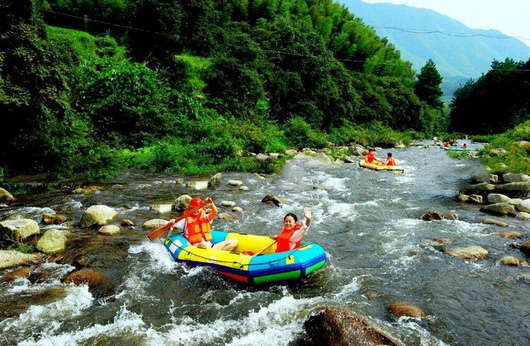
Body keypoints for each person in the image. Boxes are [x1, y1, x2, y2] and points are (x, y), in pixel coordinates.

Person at [171, 197, 238, 251]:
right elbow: (172, 226)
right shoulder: (185, 220)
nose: (195, 210)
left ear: (202, 208)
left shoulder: (205, 217)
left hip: (211, 247)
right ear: (190, 208)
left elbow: (215, 212)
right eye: (193, 208)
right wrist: (171, 222)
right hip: (196, 249)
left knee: (234, 242)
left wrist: (211, 203)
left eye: (197, 208)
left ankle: (216, 256)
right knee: (202, 244)